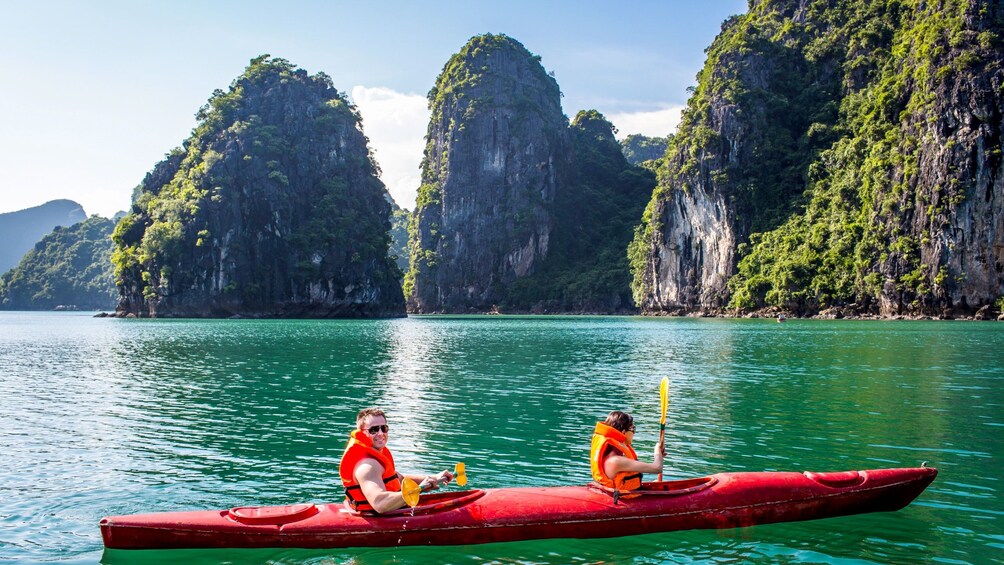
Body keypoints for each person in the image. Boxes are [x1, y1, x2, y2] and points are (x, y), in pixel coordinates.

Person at [338, 407, 454, 514]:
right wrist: (417, 490)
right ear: (362, 432)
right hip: (376, 518)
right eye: (373, 430)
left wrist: (433, 478)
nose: (380, 433)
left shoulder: (377, 455)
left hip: (390, 513)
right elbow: (380, 504)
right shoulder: (367, 467)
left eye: (384, 428)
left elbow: (398, 479)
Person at [590, 410, 664, 491]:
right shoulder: (616, 461)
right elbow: (657, 468)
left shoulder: (612, 456)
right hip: (620, 499)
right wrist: (657, 450)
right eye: (632, 429)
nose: (634, 433)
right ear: (623, 432)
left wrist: (660, 456)